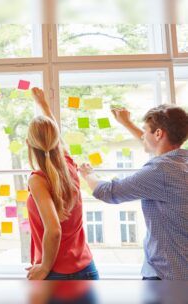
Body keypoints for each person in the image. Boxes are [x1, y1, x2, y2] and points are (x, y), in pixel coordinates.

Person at [79, 105, 188, 280]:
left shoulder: (160, 170)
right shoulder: (181, 161)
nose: (143, 135)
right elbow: (156, 145)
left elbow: (108, 192)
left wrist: (88, 175)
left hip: (167, 277)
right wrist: (127, 123)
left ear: (159, 133)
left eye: (145, 130)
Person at [25, 88, 97, 280]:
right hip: (87, 268)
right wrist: (43, 105)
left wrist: (44, 268)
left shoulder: (37, 180)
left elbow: (54, 229)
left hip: (56, 274)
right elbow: (55, 134)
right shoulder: (69, 165)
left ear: (28, 144)